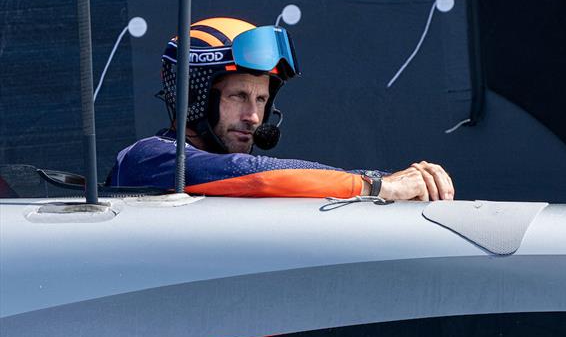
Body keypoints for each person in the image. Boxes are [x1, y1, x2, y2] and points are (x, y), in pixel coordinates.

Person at [109, 17, 454, 201]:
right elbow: (257, 175)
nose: (254, 117)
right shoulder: (147, 159)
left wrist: (397, 181)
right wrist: (379, 185)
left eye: (261, 100)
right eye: (238, 96)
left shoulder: (230, 177)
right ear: (191, 97)